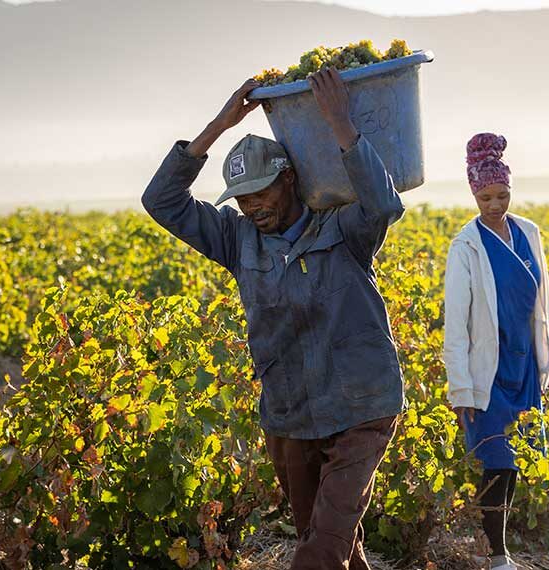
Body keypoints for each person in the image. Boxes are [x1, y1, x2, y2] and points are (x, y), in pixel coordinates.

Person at [141, 69, 405, 570]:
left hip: (361, 407)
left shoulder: (344, 229)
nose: (251, 206)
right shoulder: (236, 240)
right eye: (241, 198)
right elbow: (161, 201)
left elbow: (384, 203)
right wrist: (219, 125)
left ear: (289, 178)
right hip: (291, 413)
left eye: (260, 191)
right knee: (327, 540)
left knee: (321, 550)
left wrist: (340, 124)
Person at [443, 133, 549, 570]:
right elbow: (456, 324)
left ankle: (502, 547)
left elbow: (543, 305)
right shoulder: (465, 246)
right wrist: (461, 390)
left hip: (523, 365)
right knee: (496, 459)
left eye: (502, 195)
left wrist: (547, 361)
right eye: (486, 196)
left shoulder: (528, 233)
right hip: (486, 372)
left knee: (515, 464)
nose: (495, 204)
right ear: (474, 193)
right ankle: (497, 554)